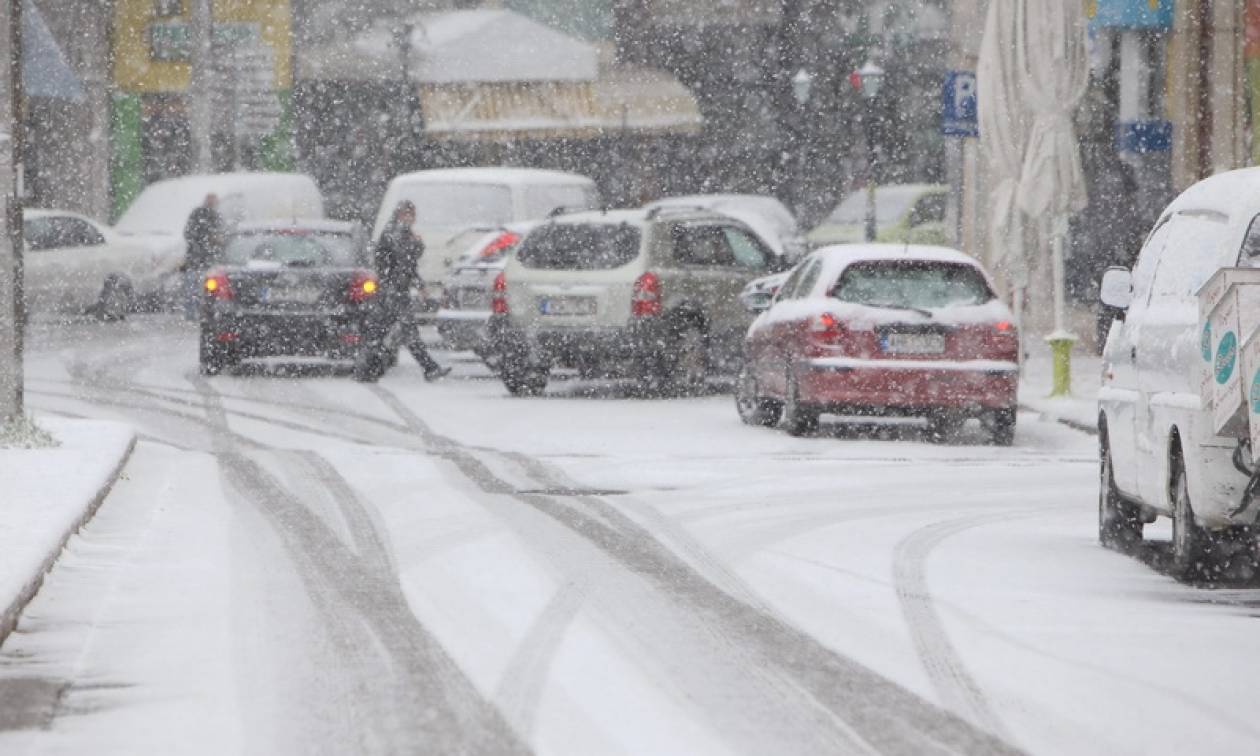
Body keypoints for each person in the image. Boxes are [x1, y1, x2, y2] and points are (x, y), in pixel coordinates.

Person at [360, 200, 450, 382]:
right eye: (409, 214)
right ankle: (369, 368)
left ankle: (370, 368)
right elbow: (403, 261)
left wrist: (419, 284)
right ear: (401, 214)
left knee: (392, 332)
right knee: (396, 332)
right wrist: (416, 246)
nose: (412, 219)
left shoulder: (402, 233)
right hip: (391, 292)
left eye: (413, 215)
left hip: (395, 291)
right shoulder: (394, 233)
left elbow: (408, 265)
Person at [183, 193, 226, 320]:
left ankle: (196, 313)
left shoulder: (215, 216)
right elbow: (189, 234)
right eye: (211, 200)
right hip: (198, 259)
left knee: (199, 288)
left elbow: (220, 236)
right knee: (194, 288)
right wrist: (208, 239)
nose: (213, 203)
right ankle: (192, 313)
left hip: (204, 260)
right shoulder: (199, 215)